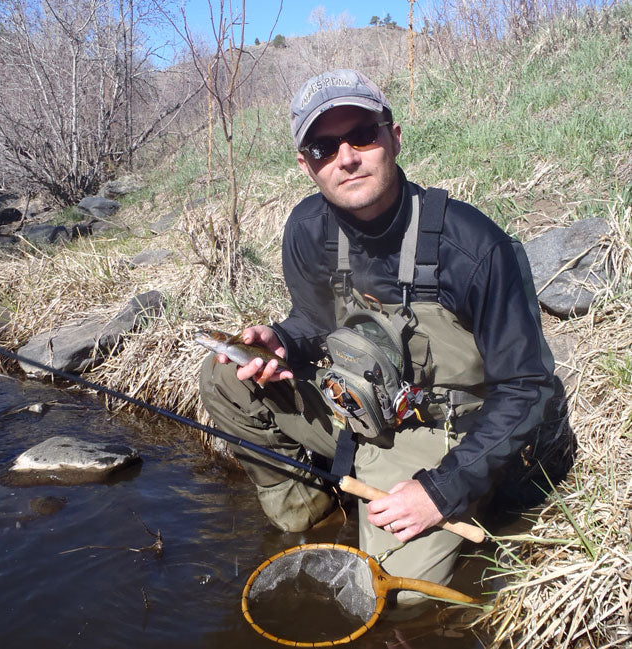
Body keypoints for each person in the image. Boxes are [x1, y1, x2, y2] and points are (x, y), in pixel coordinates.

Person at [200, 69, 555, 607]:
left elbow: (527, 388)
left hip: (440, 435)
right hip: (353, 404)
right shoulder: (307, 228)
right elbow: (313, 323)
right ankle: (307, 507)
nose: (346, 157)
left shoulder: (471, 246)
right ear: (306, 164)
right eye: (323, 147)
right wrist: (282, 341)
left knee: (395, 600)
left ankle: (402, 507)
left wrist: (441, 491)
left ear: (393, 137)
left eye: (362, 135)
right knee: (224, 376)